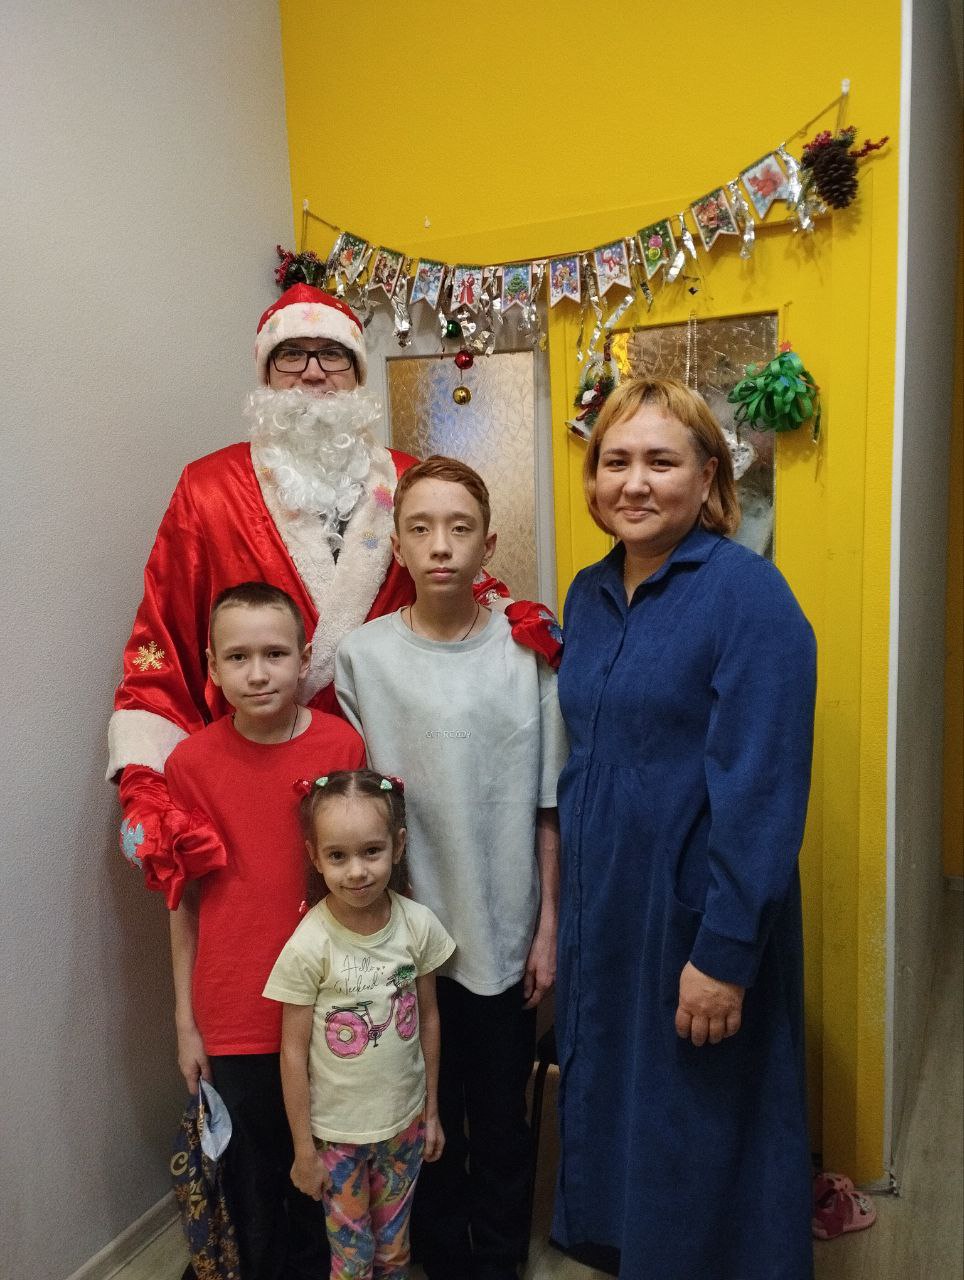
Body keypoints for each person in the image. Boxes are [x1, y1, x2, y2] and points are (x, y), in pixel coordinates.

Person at [110, 283, 560, 896]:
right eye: (292, 354)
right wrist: (147, 786)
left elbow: (456, 582)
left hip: (387, 768)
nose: (313, 372)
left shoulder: (406, 480)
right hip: (253, 768)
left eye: (332, 354)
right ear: (267, 373)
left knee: (395, 941)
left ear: (357, 374)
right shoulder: (207, 489)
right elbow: (161, 642)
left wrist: (514, 617)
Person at [552, 378, 817, 1280]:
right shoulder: (588, 594)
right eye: (615, 461)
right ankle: (627, 1243)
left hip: (697, 912)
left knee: (700, 1115)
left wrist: (726, 953)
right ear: (593, 481)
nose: (634, 482)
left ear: (707, 478)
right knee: (623, 1093)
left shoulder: (749, 597)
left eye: (661, 461)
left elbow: (764, 789)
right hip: (606, 904)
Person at [334, 456, 569, 1280]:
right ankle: (439, 1257)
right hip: (404, 944)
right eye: (422, 528)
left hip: (501, 931)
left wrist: (547, 926)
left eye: (460, 528)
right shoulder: (363, 658)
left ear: (488, 544)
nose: (441, 545)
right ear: (397, 545)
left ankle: (498, 1261)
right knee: (423, 1116)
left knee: (501, 1118)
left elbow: (547, 804)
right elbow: (352, 811)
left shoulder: (525, 648)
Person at [165, 582, 366, 1280]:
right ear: (212, 667)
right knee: (251, 1179)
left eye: (275, 654)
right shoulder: (189, 765)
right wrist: (186, 1021)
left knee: (324, 1171)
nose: (258, 673)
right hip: (234, 1009)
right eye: (238, 657)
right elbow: (182, 903)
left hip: (332, 1004)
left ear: (306, 659)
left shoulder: (341, 744)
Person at [264, 770, 455, 1280]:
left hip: (405, 1128)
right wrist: (303, 1149)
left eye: (372, 852)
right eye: (338, 856)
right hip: (337, 1138)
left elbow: (429, 1017)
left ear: (398, 845)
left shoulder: (417, 925)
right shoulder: (310, 944)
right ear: (315, 856)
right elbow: (291, 1053)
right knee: (351, 1260)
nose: (357, 872)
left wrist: (432, 1112)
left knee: (395, 1252)